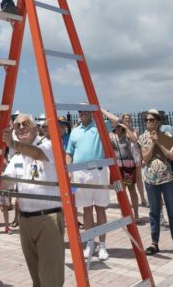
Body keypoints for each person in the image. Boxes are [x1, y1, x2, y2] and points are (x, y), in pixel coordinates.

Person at [2, 115, 64, 287]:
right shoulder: (17, 158)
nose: (21, 127)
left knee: (50, 278)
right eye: (17, 125)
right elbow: (4, 182)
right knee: (36, 278)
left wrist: (13, 144)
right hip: (25, 221)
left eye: (25, 124)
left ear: (36, 128)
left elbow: (37, 154)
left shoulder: (48, 145)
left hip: (48, 219)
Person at [138, 108, 173, 258]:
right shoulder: (143, 137)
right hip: (151, 180)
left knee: (172, 212)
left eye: (151, 120)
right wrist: (153, 143)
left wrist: (159, 142)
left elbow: (171, 156)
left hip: (167, 179)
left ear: (158, 122)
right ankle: (154, 243)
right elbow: (145, 159)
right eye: (146, 120)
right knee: (154, 212)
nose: (148, 122)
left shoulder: (166, 136)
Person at [66, 110, 111, 261]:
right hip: (80, 173)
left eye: (85, 111)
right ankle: (90, 243)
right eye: (80, 111)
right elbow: (69, 153)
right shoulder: (75, 131)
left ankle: (103, 245)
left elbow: (116, 121)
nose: (82, 113)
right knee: (86, 210)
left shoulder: (99, 126)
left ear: (91, 112)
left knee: (100, 209)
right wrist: (68, 171)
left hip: (99, 172)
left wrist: (98, 109)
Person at [101, 109, 140, 220]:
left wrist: (126, 127)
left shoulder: (126, 135)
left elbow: (134, 140)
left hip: (128, 168)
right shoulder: (111, 135)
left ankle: (136, 214)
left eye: (119, 126)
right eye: (116, 126)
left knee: (131, 189)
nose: (117, 128)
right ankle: (125, 212)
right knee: (119, 191)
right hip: (117, 168)